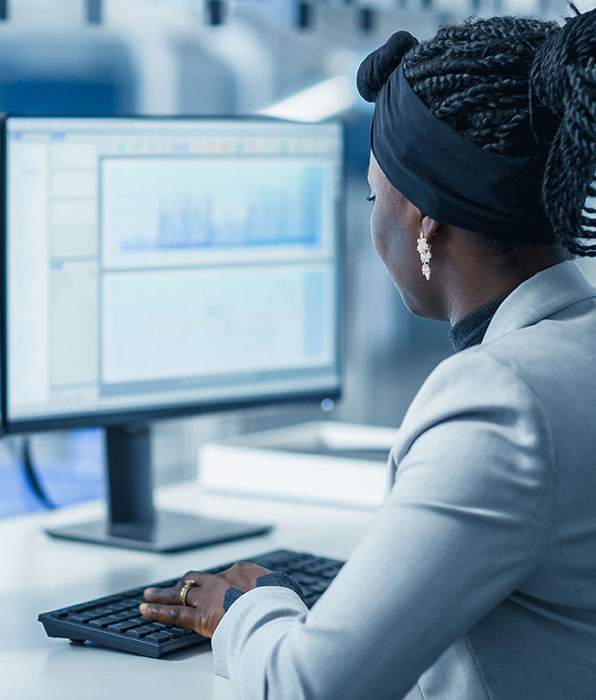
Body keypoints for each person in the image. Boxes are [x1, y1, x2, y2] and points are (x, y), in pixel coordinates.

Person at [140, 9, 596, 699]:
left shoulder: (502, 401)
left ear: (425, 223)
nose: (372, 216)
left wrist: (247, 611)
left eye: (373, 195)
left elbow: (309, 687)